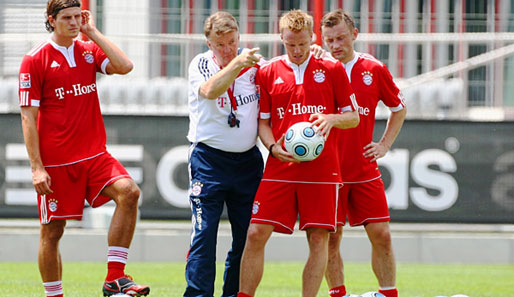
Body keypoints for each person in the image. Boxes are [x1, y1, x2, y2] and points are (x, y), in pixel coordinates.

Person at [18, 1, 149, 296]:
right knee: (53, 232)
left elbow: (125, 66)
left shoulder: (88, 50)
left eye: (79, 17)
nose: (75, 22)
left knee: (129, 192)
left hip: (94, 154)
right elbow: (28, 116)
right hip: (57, 162)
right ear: (52, 20)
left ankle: (115, 277)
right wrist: (37, 167)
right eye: (67, 18)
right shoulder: (34, 59)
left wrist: (93, 31)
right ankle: (55, 295)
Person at [238, 9, 359, 297]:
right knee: (255, 234)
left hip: (323, 168)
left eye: (302, 44)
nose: (296, 50)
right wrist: (272, 147)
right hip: (280, 166)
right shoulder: (268, 72)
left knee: (319, 239)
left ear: (312, 38)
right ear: (281, 38)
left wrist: (331, 119)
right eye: (290, 44)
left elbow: (353, 116)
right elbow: (263, 123)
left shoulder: (332, 69)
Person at [321, 10, 407, 297]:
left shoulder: (373, 68)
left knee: (381, 235)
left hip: (363, 168)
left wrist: (383, 145)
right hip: (327, 172)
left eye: (341, 38)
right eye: (329, 40)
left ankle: (387, 293)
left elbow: (399, 108)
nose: (335, 45)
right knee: (331, 238)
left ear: (354, 35)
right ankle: (338, 294)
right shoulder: (316, 71)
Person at [185, 11, 265, 297]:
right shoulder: (201, 64)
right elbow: (209, 90)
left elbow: (285, 76)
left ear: (239, 37)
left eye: (232, 42)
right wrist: (236, 65)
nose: (228, 49)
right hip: (209, 160)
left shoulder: (256, 64)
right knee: (204, 235)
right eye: (221, 45)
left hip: (248, 161)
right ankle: (197, 294)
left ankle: (234, 293)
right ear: (209, 44)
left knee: (247, 237)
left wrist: (313, 52)